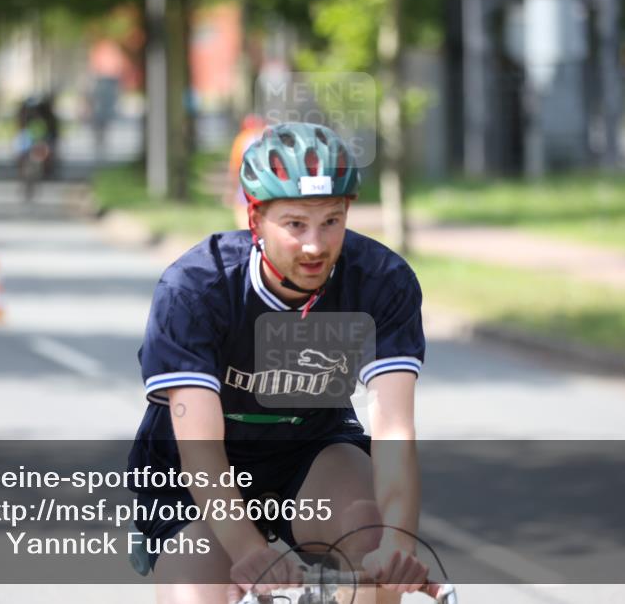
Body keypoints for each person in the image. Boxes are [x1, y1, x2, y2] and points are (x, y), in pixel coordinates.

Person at [128, 122, 430, 603]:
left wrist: (397, 542)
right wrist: (250, 549)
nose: (315, 245)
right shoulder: (195, 290)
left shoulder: (381, 281)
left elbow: (394, 428)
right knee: (196, 593)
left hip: (309, 452)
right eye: (295, 224)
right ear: (255, 218)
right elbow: (200, 447)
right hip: (201, 474)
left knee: (374, 551)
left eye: (331, 221)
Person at [225, 114, 266, 229]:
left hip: (245, 188)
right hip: (267, 188)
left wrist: (231, 191)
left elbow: (235, 167)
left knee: (245, 225)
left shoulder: (242, 139)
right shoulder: (269, 137)